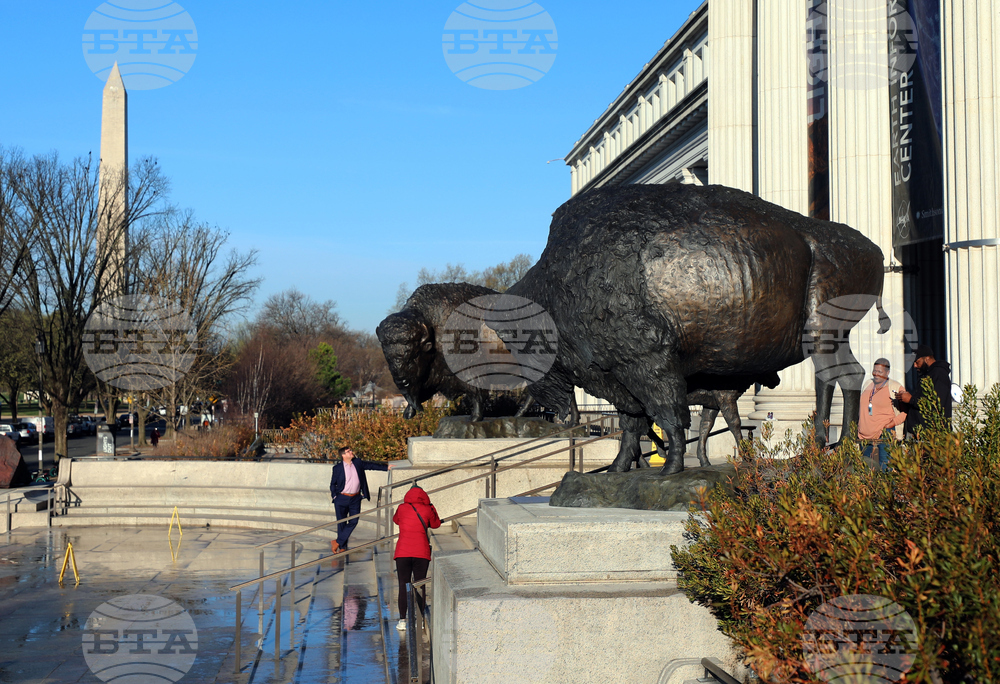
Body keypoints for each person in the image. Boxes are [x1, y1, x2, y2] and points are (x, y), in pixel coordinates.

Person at [392, 485, 440, 631]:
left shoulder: (402, 508)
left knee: (403, 585)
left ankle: (402, 620)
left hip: (403, 552)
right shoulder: (427, 509)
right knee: (420, 585)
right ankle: (420, 620)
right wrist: (431, 506)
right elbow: (436, 524)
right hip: (421, 552)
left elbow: (396, 520)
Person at [329, 446, 391, 554]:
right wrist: (335, 496)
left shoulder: (357, 463)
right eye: (348, 451)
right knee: (341, 523)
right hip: (341, 498)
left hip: (355, 498)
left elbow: (371, 465)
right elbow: (333, 484)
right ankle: (342, 547)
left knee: (354, 521)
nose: (351, 452)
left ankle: (337, 541)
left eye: (351, 450)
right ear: (343, 455)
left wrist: (386, 468)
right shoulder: (337, 468)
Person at [857, 358, 906, 470]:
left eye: (880, 371)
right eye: (874, 371)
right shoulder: (868, 383)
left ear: (887, 372)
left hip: (884, 433)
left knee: (886, 467)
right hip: (864, 435)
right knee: (866, 468)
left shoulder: (895, 387)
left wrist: (891, 424)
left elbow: (905, 412)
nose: (876, 374)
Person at [895, 344, 953, 436]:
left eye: (917, 362)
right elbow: (922, 399)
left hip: (932, 434)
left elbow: (936, 404)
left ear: (927, 359)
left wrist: (910, 399)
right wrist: (905, 398)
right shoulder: (926, 374)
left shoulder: (939, 374)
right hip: (920, 432)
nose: (914, 365)